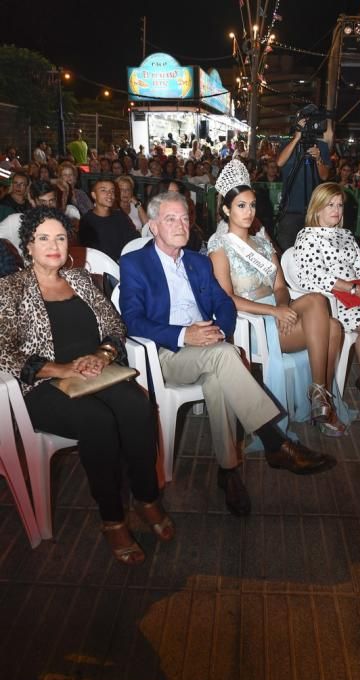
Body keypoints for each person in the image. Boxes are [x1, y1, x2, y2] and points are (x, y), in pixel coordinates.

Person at [119, 191, 336, 517]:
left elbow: (224, 303)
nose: (181, 225)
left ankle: (229, 472)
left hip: (209, 346)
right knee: (225, 357)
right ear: (152, 226)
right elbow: (132, 320)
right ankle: (275, 442)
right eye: (170, 219)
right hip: (165, 352)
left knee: (219, 374)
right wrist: (184, 334)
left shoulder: (197, 260)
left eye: (184, 218)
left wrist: (219, 328)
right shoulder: (135, 262)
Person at [0, 206, 173, 565]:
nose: (54, 245)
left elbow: (114, 323)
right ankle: (112, 519)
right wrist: (58, 368)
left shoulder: (80, 279)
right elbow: (4, 349)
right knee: (97, 421)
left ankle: (147, 498)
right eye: (43, 238)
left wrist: (102, 355)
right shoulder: (11, 289)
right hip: (44, 385)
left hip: (94, 371)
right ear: (28, 246)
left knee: (137, 405)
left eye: (61, 237)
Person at [208, 160, 349, 436]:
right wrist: (274, 313)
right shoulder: (219, 247)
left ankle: (320, 398)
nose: (248, 212)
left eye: (251, 205)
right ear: (226, 209)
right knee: (330, 326)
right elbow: (227, 298)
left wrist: (284, 308)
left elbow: (280, 287)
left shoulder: (261, 241)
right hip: (251, 323)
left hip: (280, 314)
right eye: (240, 205)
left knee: (320, 303)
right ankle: (321, 403)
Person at [293, 183, 360, 409]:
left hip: (356, 295)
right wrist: (354, 289)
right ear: (316, 208)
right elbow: (313, 277)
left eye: (340, 205)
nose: (336, 210)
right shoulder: (307, 236)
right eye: (330, 205)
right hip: (329, 300)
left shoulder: (345, 235)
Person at [276, 110, 331, 251]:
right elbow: (279, 163)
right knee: (287, 251)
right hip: (291, 210)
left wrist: (318, 159)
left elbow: (324, 176)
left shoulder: (322, 147)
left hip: (314, 211)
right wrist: (296, 138)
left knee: (312, 252)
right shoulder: (288, 144)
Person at [79, 179, 139, 261]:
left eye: (112, 191)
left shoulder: (120, 216)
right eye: (103, 190)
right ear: (94, 195)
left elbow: (134, 240)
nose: (109, 194)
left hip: (125, 263)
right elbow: (90, 254)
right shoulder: (87, 221)